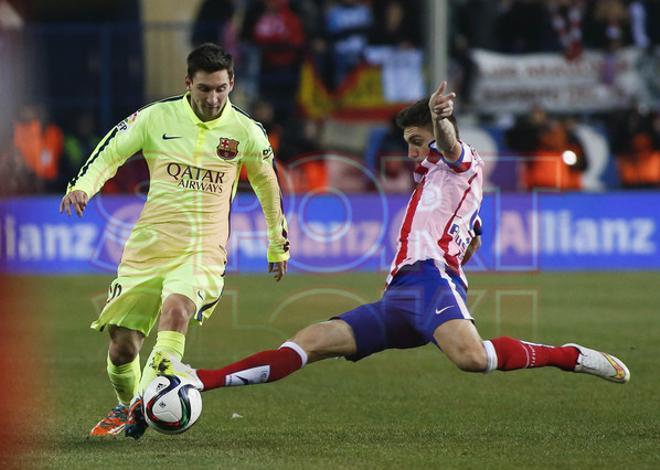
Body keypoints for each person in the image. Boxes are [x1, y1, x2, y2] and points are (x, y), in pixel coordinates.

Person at [155, 81, 629, 405]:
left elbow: (451, 148)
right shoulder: (435, 179)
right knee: (311, 342)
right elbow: (469, 234)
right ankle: (196, 380)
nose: (411, 151)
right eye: (407, 141)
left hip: (430, 284)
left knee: (472, 358)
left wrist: (441, 122)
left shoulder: (461, 163)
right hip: (398, 296)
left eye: (416, 140)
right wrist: (467, 241)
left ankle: (570, 356)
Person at [60, 43, 290, 439]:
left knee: (178, 310)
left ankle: (141, 408)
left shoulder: (246, 132)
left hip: (203, 251)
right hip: (149, 248)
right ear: (188, 83)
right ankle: (127, 402)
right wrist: (82, 186)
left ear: (231, 82)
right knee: (123, 348)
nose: (214, 98)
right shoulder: (155, 117)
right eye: (205, 89)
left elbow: (268, 186)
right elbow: (110, 152)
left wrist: (277, 243)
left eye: (221, 89)